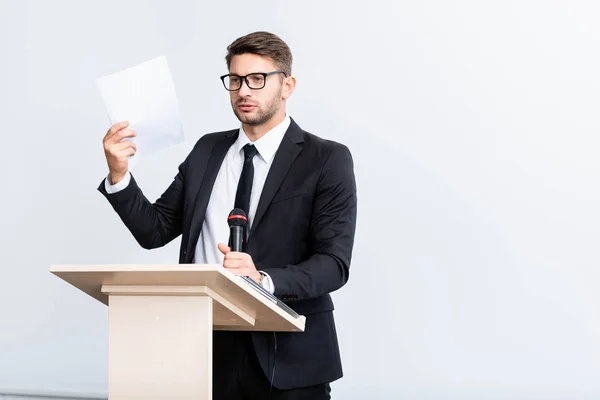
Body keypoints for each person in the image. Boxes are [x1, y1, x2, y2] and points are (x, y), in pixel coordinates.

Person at [98, 31, 357, 399]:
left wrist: (262, 279)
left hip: (290, 359)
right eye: (235, 80)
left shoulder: (325, 159)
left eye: (257, 79)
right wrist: (120, 175)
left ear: (287, 86)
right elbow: (154, 231)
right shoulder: (208, 150)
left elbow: (333, 263)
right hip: (205, 350)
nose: (244, 91)